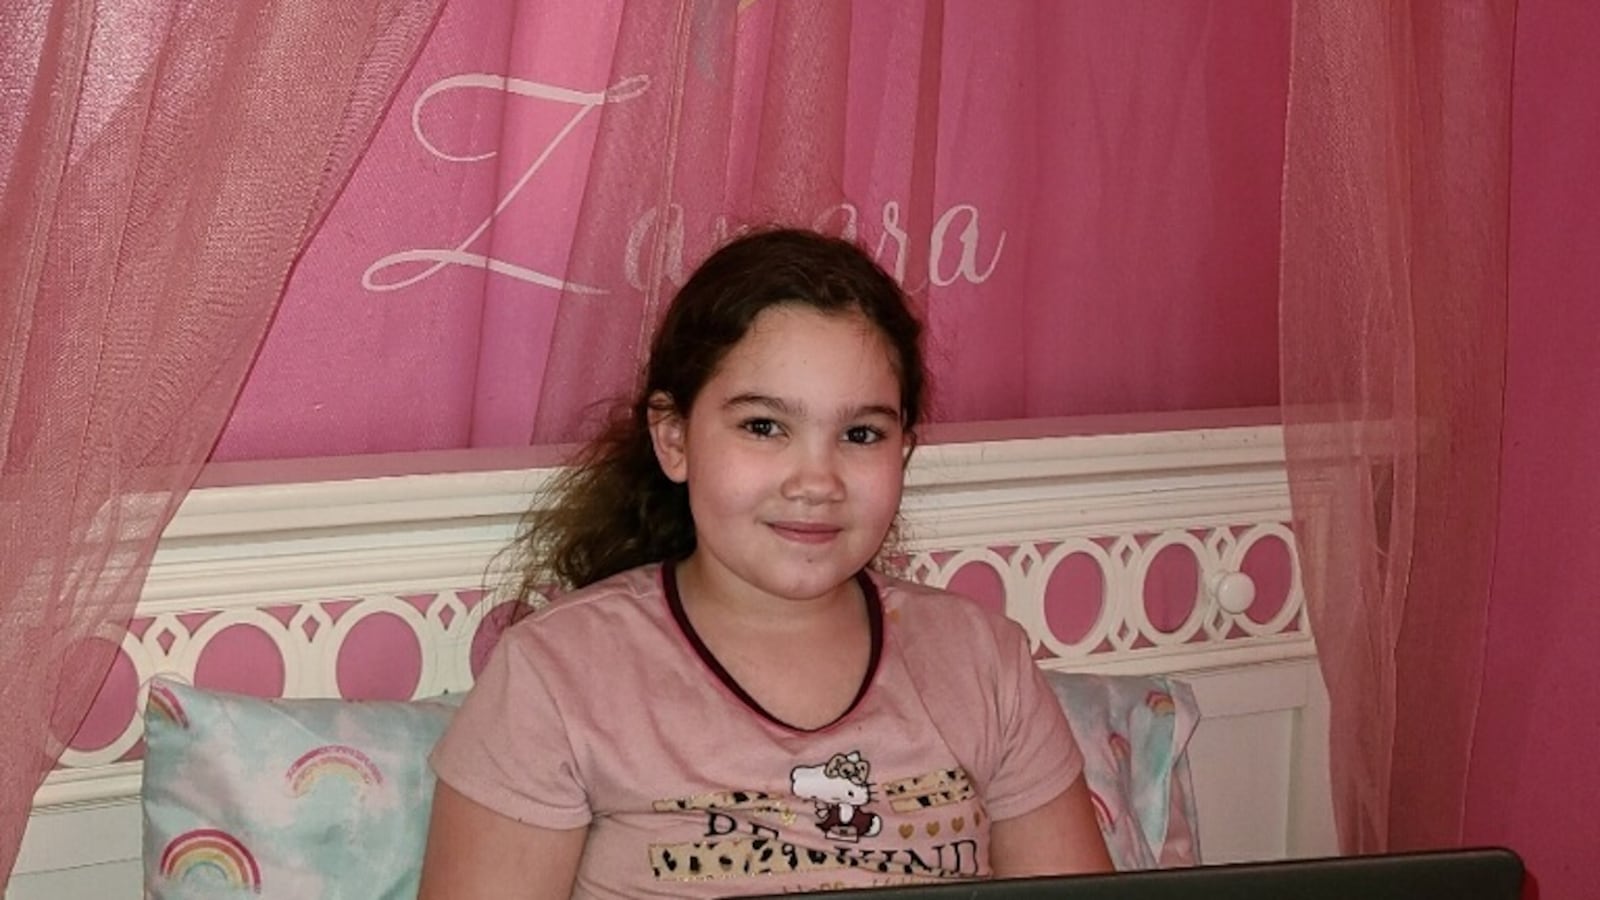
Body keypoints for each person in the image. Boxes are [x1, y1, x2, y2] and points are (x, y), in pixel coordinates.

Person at [419, 228, 1112, 899]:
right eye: (763, 427)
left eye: (861, 434)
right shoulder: (555, 678)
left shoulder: (985, 663)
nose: (817, 481)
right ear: (673, 439)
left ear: (902, 451)